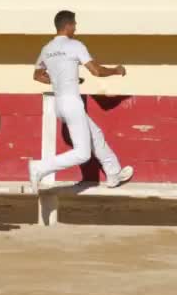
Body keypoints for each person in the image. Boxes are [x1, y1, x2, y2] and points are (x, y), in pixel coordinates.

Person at [29, 10, 134, 192]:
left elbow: (37, 75)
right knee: (82, 153)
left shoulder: (47, 49)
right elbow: (96, 71)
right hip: (72, 103)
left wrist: (57, 80)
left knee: (96, 134)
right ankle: (39, 167)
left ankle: (113, 173)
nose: (76, 28)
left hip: (59, 105)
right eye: (74, 24)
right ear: (68, 25)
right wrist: (116, 70)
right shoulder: (75, 45)